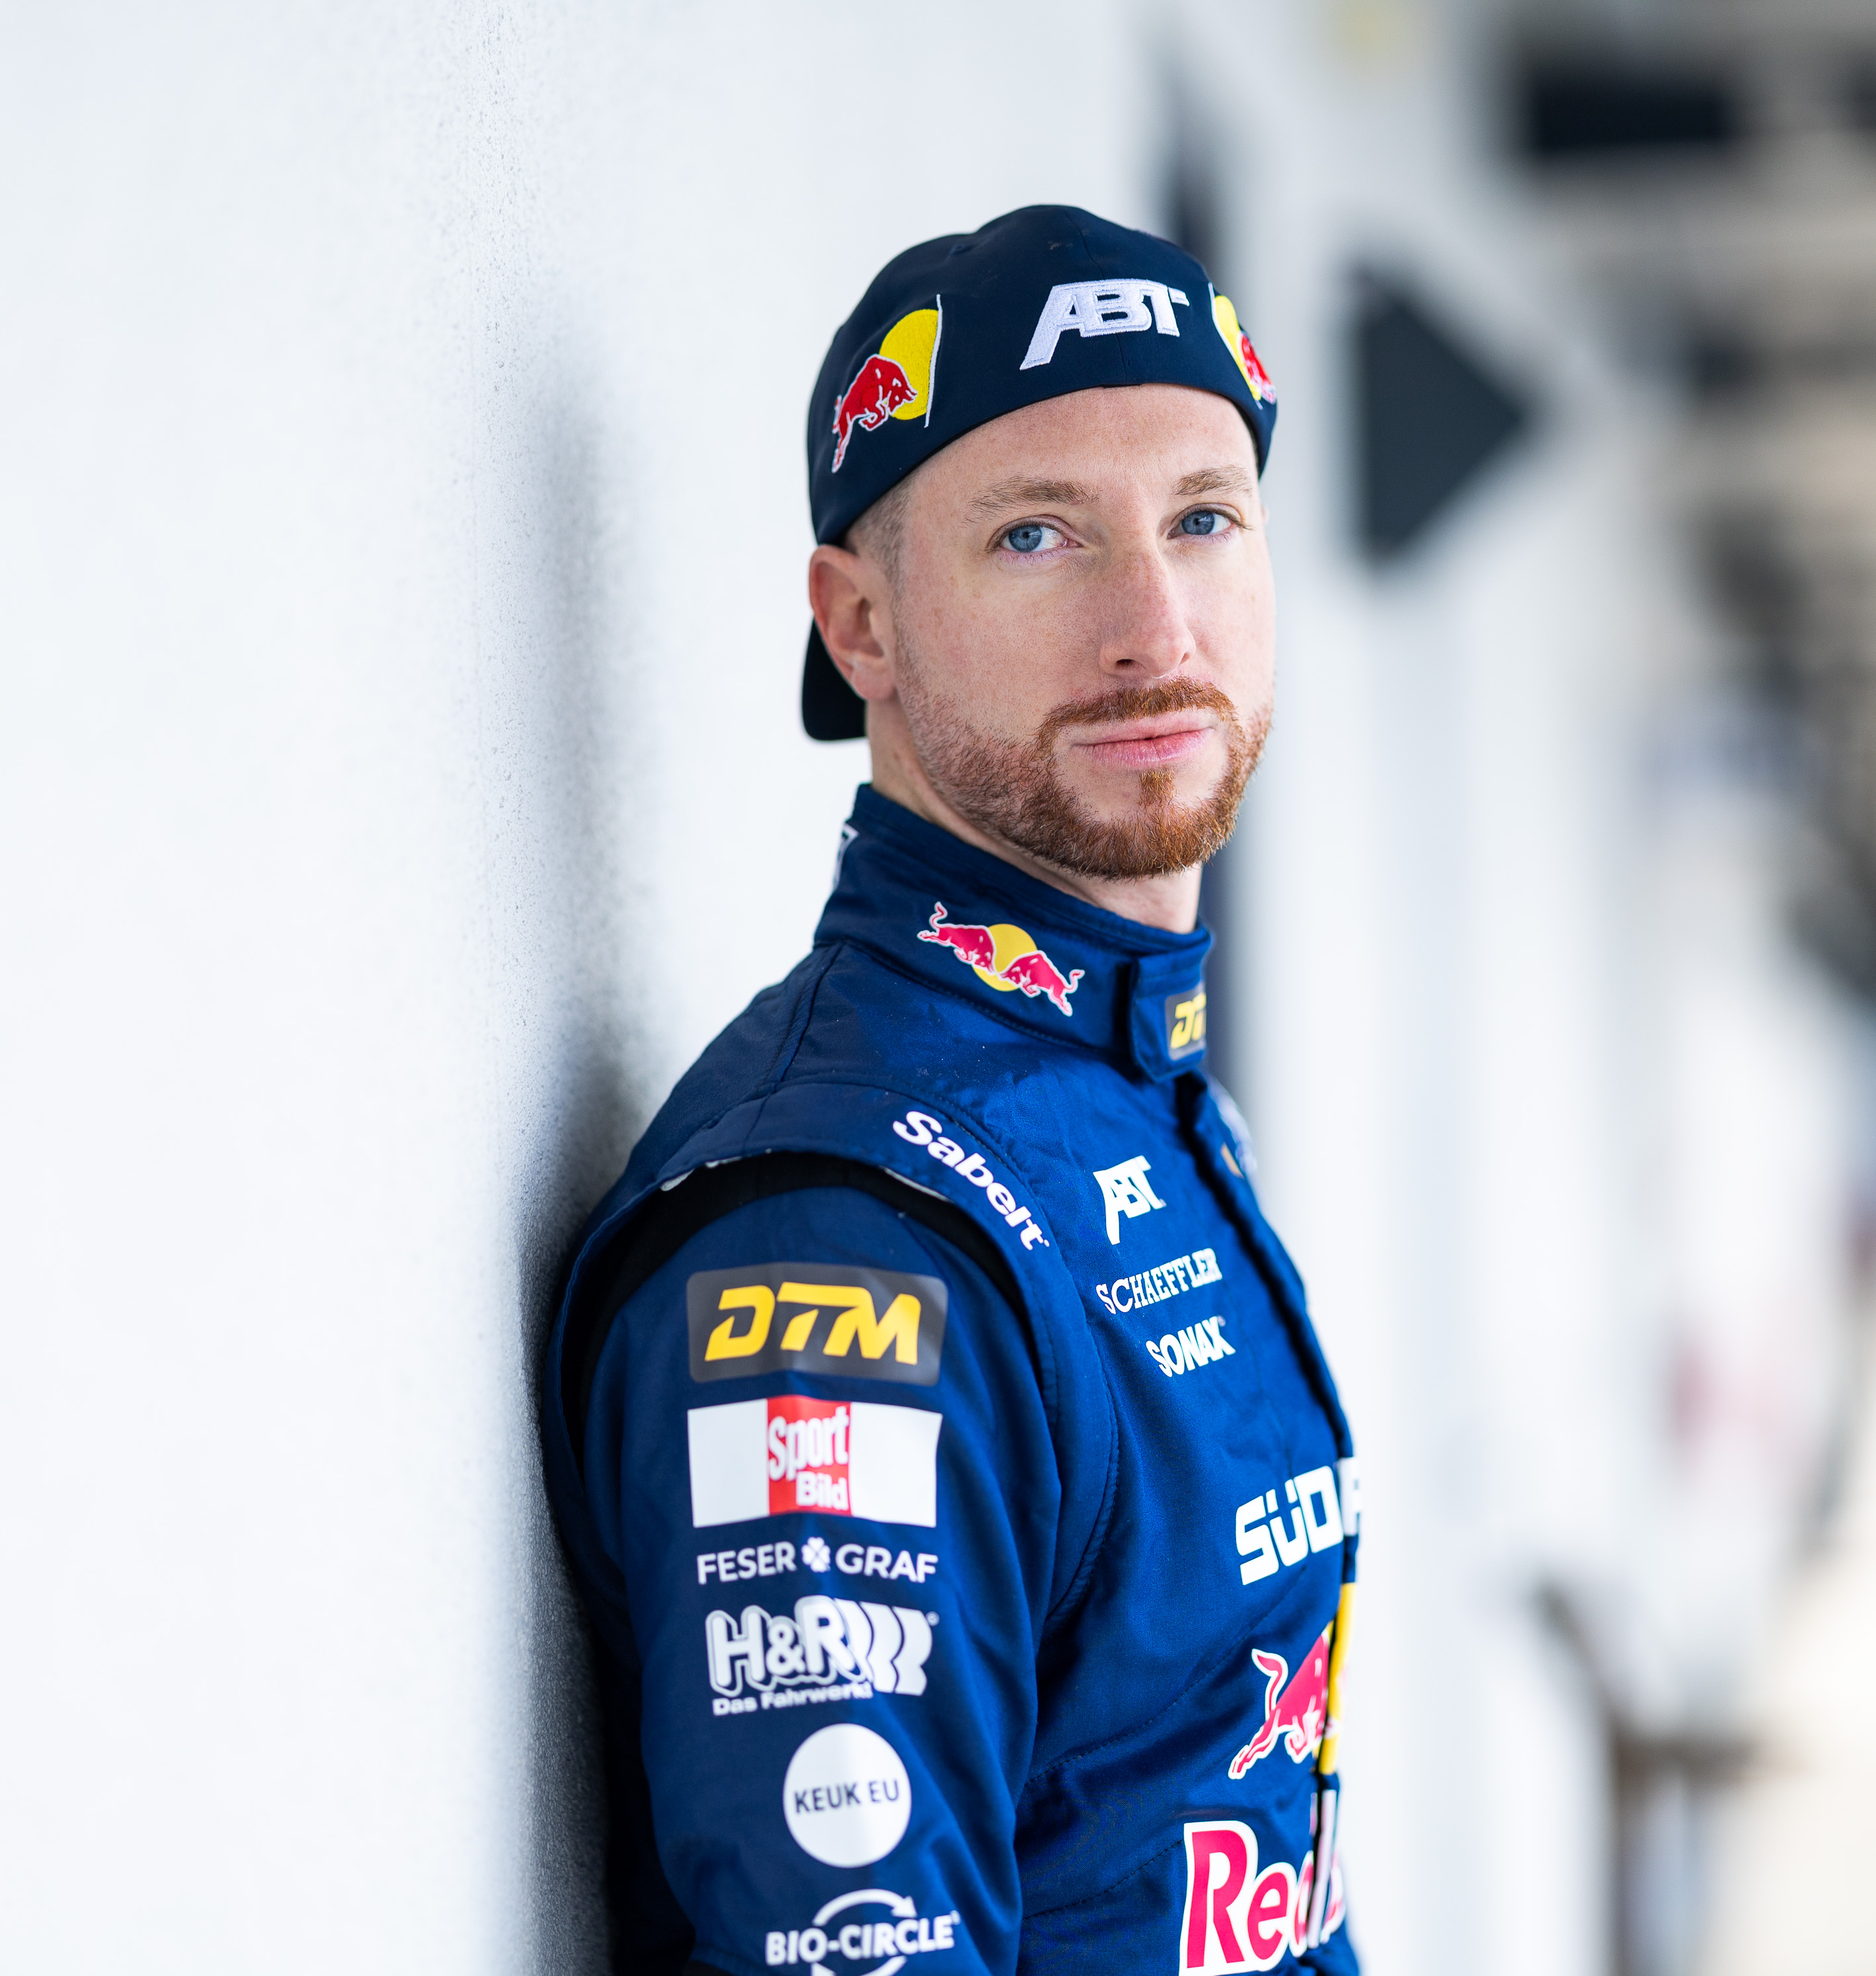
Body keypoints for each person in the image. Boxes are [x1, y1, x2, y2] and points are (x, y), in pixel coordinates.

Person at [540, 205, 1356, 1976]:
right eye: (1037, 535)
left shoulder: (1125, 1079)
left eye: (1204, 519)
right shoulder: (844, 1236)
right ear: (863, 627)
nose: (1155, 628)